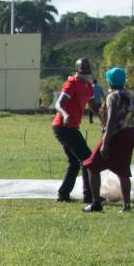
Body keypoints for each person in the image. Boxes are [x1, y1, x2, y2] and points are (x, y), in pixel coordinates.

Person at [81, 67, 134, 212]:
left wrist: (105, 142)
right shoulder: (130, 95)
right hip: (130, 132)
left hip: (115, 134)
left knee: (92, 166)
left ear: (110, 81)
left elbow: (112, 119)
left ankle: (96, 204)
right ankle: (127, 206)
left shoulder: (113, 96)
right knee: (123, 170)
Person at [49, 58, 96, 202]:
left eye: (88, 69)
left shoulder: (89, 86)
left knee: (75, 162)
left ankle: (63, 194)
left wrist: (105, 116)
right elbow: (58, 104)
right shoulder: (72, 83)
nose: (86, 71)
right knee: (87, 159)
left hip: (72, 126)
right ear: (77, 69)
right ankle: (89, 196)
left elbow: (94, 106)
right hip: (63, 126)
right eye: (83, 69)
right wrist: (65, 114)